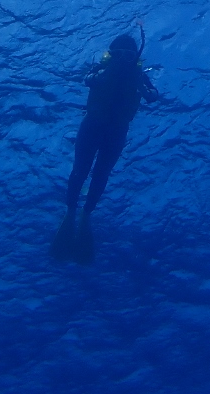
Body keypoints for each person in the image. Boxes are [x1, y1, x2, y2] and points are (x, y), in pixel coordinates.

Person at [52, 33, 158, 265]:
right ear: (111, 55)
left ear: (135, 56)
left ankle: (86, 213)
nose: (122, 59)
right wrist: (104, 74)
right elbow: (87, 80)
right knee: (80, 170)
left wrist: (141, 86)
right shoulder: (101, 68)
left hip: (117, 131)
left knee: (101, 175)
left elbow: (154, 96)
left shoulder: (138, 74)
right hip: (92, 125)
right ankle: (71, 211)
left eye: (128, 55)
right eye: (117, 54)